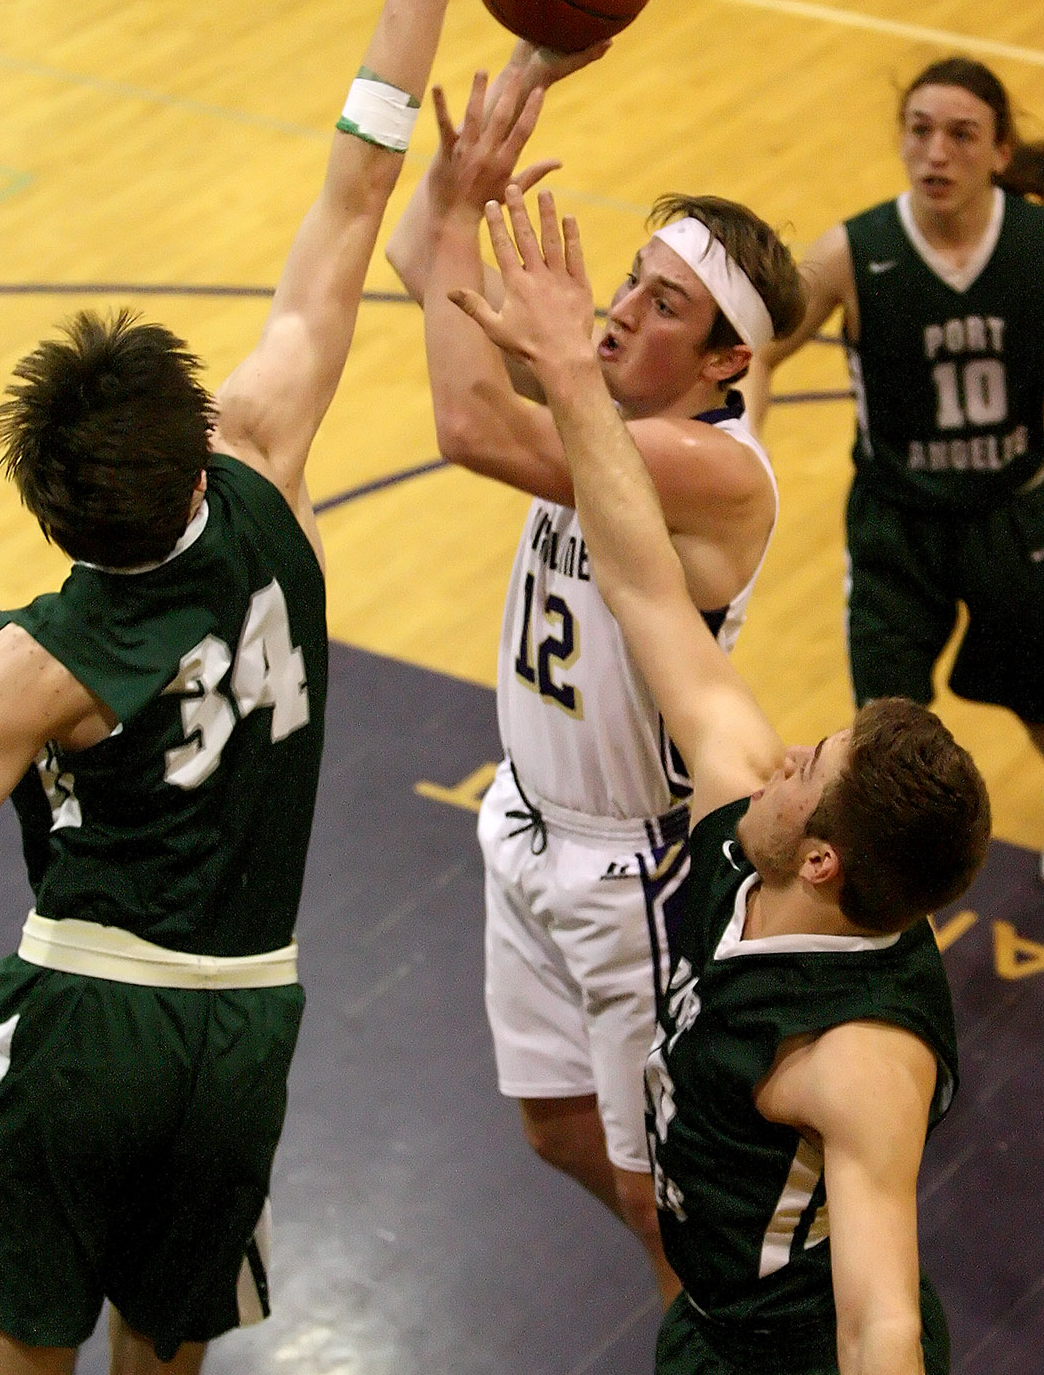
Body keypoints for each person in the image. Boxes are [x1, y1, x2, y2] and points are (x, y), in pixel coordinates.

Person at [0, 0, 540, 1375]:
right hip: (247, 1015)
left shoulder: (42, 658)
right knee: (168, 1347)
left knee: (12, 1354)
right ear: (195, 443)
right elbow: (357, 180)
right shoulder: (266, 461)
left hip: (86, 1018)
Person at [455, 182, 992, 1375]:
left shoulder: (864, 1062)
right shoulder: (743, 799)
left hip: (784, 1357)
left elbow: (881, 1321)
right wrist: (562, 355)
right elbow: (645, 586)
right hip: (712, 1323)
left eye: (813, 769)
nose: (786, 751)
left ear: (821, 857)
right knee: (580, 1135)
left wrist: (565, 374)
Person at [385, 65, 806, 1298]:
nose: (618, 309)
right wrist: (464, 181)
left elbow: (472, 427)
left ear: (726, 361)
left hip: (637, 866)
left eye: (660, 304)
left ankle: (723, 1331)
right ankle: (702, 1287)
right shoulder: (597, 398)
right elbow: (426, 269)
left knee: (652, 1182)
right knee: (554, 1127)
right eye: (627, 277)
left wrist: (506, 302)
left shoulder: (715, 470)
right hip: (522, 818)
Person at [743, 58, 1044, 894]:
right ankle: (891, 887)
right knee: (881, 731)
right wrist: (751, 447)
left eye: (960, 134)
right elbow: (762, 348)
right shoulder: (854, 250)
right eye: (919, 131)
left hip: (1011, 521)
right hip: (893, 526)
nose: (935, 152)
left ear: (1001, 153)